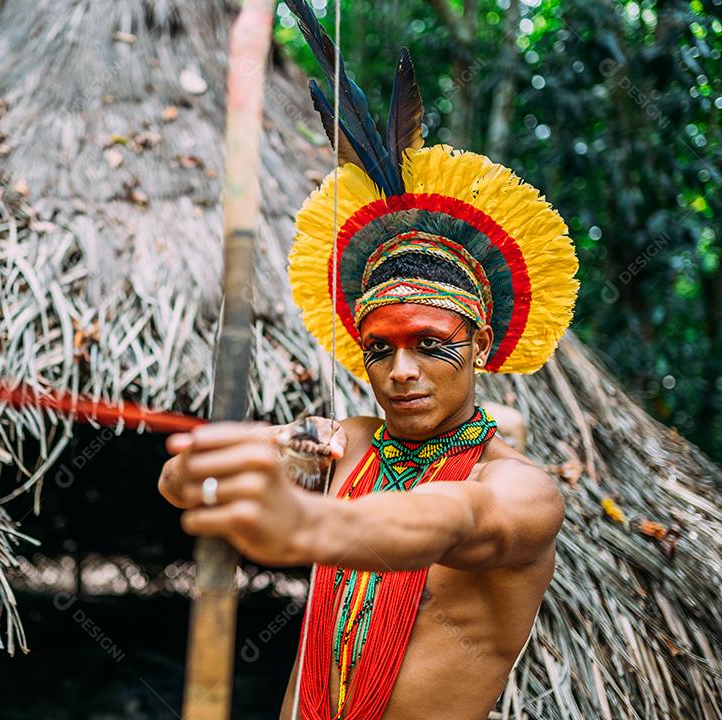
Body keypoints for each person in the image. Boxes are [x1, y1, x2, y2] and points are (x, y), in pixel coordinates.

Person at [157, 2, 579, 717]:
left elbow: (446, 519)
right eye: (379, 349)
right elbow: (177, 484)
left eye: (431, 344)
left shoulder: (521, 493)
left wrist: (307, 524)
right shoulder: (344, 442)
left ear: (480, 344)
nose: (400, 371)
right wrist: (247, 455)